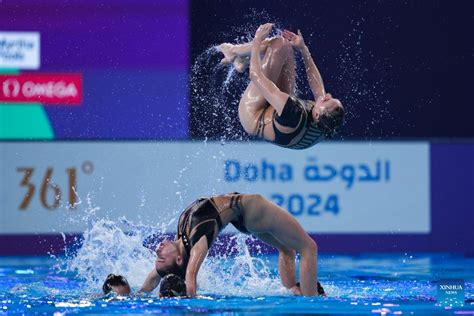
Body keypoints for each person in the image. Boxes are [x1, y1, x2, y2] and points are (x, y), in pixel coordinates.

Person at [139, 192, 323, 297]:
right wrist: (189, 304)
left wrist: (136, 296)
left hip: (242, 219)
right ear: (179, 259)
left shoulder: (182, 238)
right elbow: (191, 276)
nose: (158, 249)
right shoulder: (198, 242)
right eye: (161, 256)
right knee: (309, 248)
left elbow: (153, 278)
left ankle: (293, 292)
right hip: (253, 212)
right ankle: (311, 303)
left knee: (286, 250)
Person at [218, 23, 344, 150]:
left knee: (278, 44)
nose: (327, 95)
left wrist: (257, 40)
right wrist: (303, 49)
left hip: (254, 115)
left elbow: (255, 75)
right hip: (279, 117)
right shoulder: (328, 124)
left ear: (316, 114)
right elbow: (318, 88)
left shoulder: (293, 112)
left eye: (326, 100)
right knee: (286, 47)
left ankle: (233, 52)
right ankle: (241, 58)